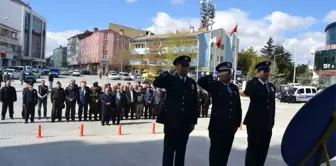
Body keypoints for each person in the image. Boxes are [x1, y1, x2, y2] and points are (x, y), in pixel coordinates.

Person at [153, 55, 198, 166]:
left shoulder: (191, 83)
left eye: (187, 66)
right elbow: (156, 83)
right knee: (169, 151)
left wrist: (193, 122)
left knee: (181, 152)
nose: (185, 68)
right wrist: (169, 71)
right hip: (171, 122)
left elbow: (194, 103)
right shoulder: (171, 79)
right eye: (183, 66)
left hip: (185, 123)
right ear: (178, 67)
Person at [198, 62, 242, 166]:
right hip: (218, 127)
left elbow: (237, 106)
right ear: (221, 74)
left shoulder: (233, 88)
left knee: (225, 154)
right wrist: (215, 75)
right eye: (227, 73)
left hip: (230, 127)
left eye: (230, 73)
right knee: (216, 154)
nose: (229, 75)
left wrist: (237, 123)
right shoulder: (215, 85)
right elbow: (201, 81)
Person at [243, 61, 276, 166]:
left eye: (268, 71)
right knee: (253, 150)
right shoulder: (253, 84)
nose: (267, 73)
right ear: (259, 72)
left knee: (263, 150)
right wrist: (256, 77)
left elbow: (272, 106)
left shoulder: (271, 86)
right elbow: (248, 92)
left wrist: (271, 122)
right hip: (255, 124)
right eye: (265, 71)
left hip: (267, 125)